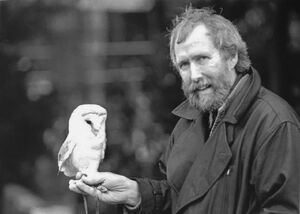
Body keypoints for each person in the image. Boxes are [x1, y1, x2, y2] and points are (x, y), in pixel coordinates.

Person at [69, 6, 300, 214]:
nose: (195, 75)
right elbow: (182, 198)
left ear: (232, 57)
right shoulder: (191, 119)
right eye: (184, 65)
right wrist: (136, 194)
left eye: (202, 58)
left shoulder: (274, 124)